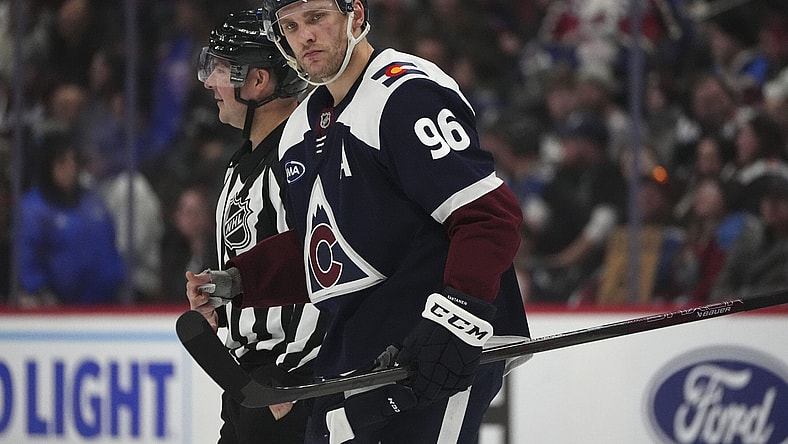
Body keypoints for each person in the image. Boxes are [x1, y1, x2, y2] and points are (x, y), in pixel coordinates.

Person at [186, 1, 531, 442]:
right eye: (290, 26)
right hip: (356, 357)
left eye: (316, 17)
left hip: (425, 351)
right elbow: (321, 249)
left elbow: (488, 217)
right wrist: (239, 281)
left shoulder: (403, 93)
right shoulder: (301, 128)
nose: (304, 35)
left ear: (356, 16)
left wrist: (455, 318)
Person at [185, 9, 324, 444]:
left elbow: (333, 260)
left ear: (258, 81)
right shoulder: (239, 165)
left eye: (220, 68)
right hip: (250, 386)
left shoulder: (306, 155)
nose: (208, 82)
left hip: (295, 389)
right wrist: (222, 306)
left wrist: (301, 377)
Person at [17, 131, 125, 306]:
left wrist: (118, 281)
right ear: (48, 166)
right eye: (62, 162)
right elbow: (27, 261)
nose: (70, 168)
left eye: (73, 161)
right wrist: (43, 295)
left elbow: (111, 247)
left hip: (105, 306)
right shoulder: (33, 209)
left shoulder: (92, 202)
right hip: (55, 310)